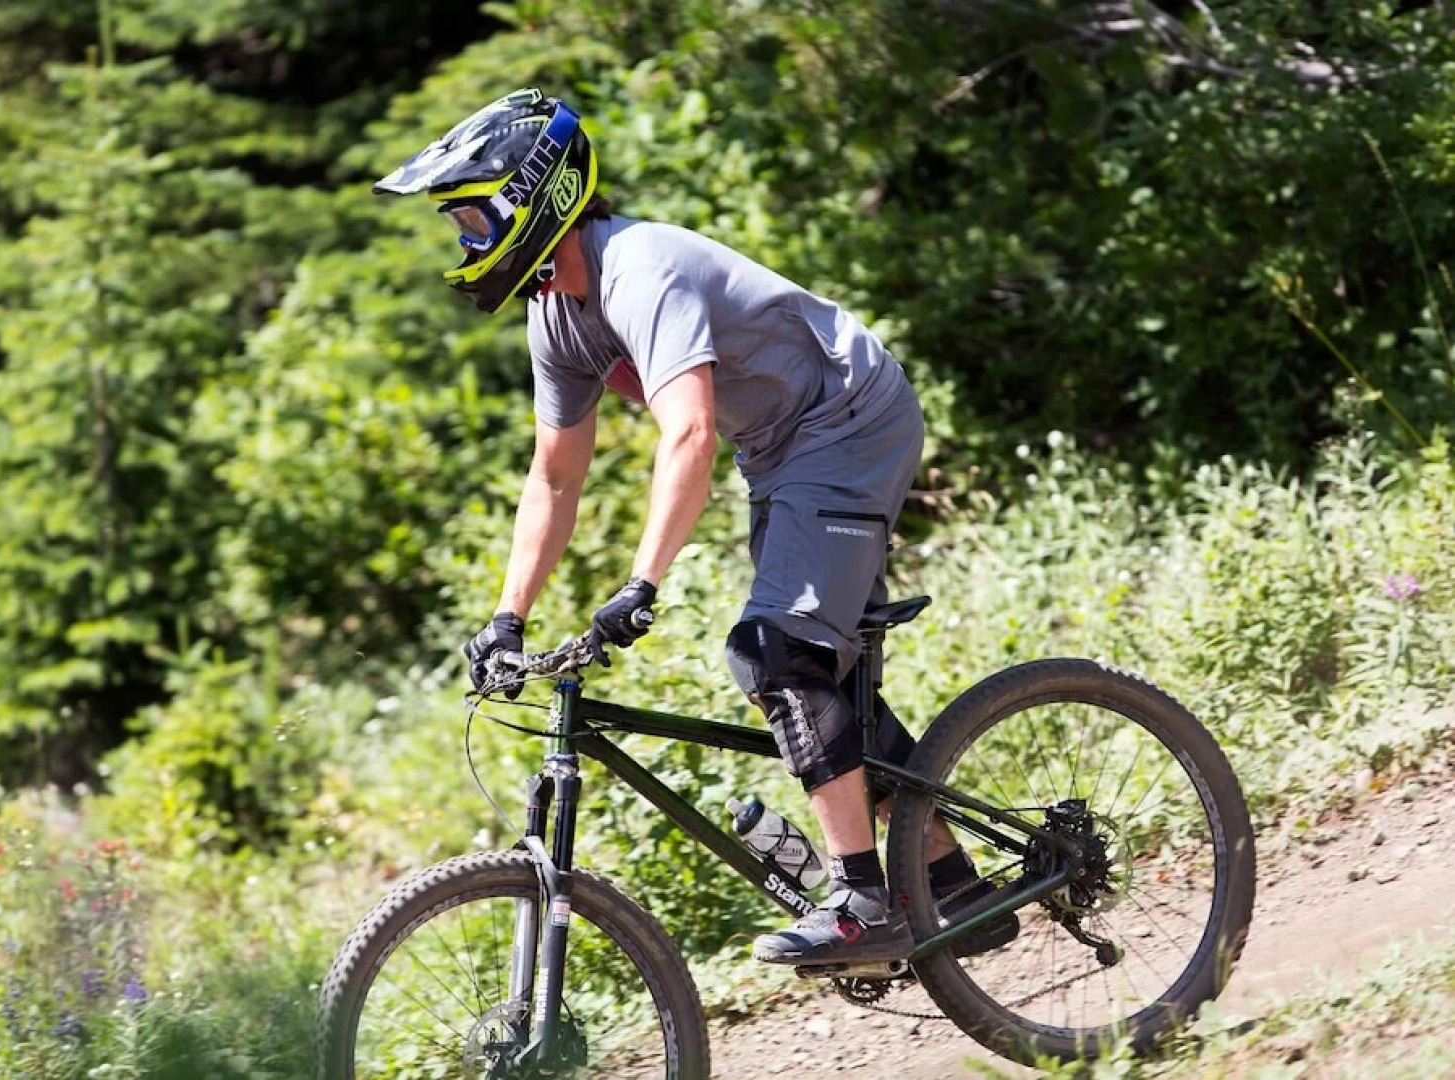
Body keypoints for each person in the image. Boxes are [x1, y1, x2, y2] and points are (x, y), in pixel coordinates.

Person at [373, 88, 1016, 966]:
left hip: (848, 419)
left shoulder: (640, 268)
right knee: (815, 677)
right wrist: (506, 617)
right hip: (785, 450)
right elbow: (554, 476)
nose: (466, 241)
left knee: (774, 653)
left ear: (537, 196)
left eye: (475, 218)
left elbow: (689, 432)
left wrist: (640, 585)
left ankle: (865, 898)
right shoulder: (555, 315)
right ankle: (952, 885)